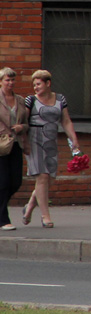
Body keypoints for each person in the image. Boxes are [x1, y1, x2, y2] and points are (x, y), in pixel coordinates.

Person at [22, 69, 80, 228]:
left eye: (39, 84)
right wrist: (25, 142)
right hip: (34, 140)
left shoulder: (60, 99)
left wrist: (73, 138)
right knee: (42, 177)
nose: (36, 87)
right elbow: (23, 122)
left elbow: (66, 121)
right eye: (34, 85)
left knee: (49, 179)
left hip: (51, 140)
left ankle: (29, 207)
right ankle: (45, 216)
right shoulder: (30, 100)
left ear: (48, 83)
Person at [0, 68, 29, 231]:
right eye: (7, 80)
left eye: (12, 80)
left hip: (16, 143)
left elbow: (26, 123)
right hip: (1, 144)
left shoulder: (19, 100)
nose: (10, 83)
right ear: (1, 81)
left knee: (16, 181)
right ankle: (3, 219)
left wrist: (21, 127)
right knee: (3, 182)